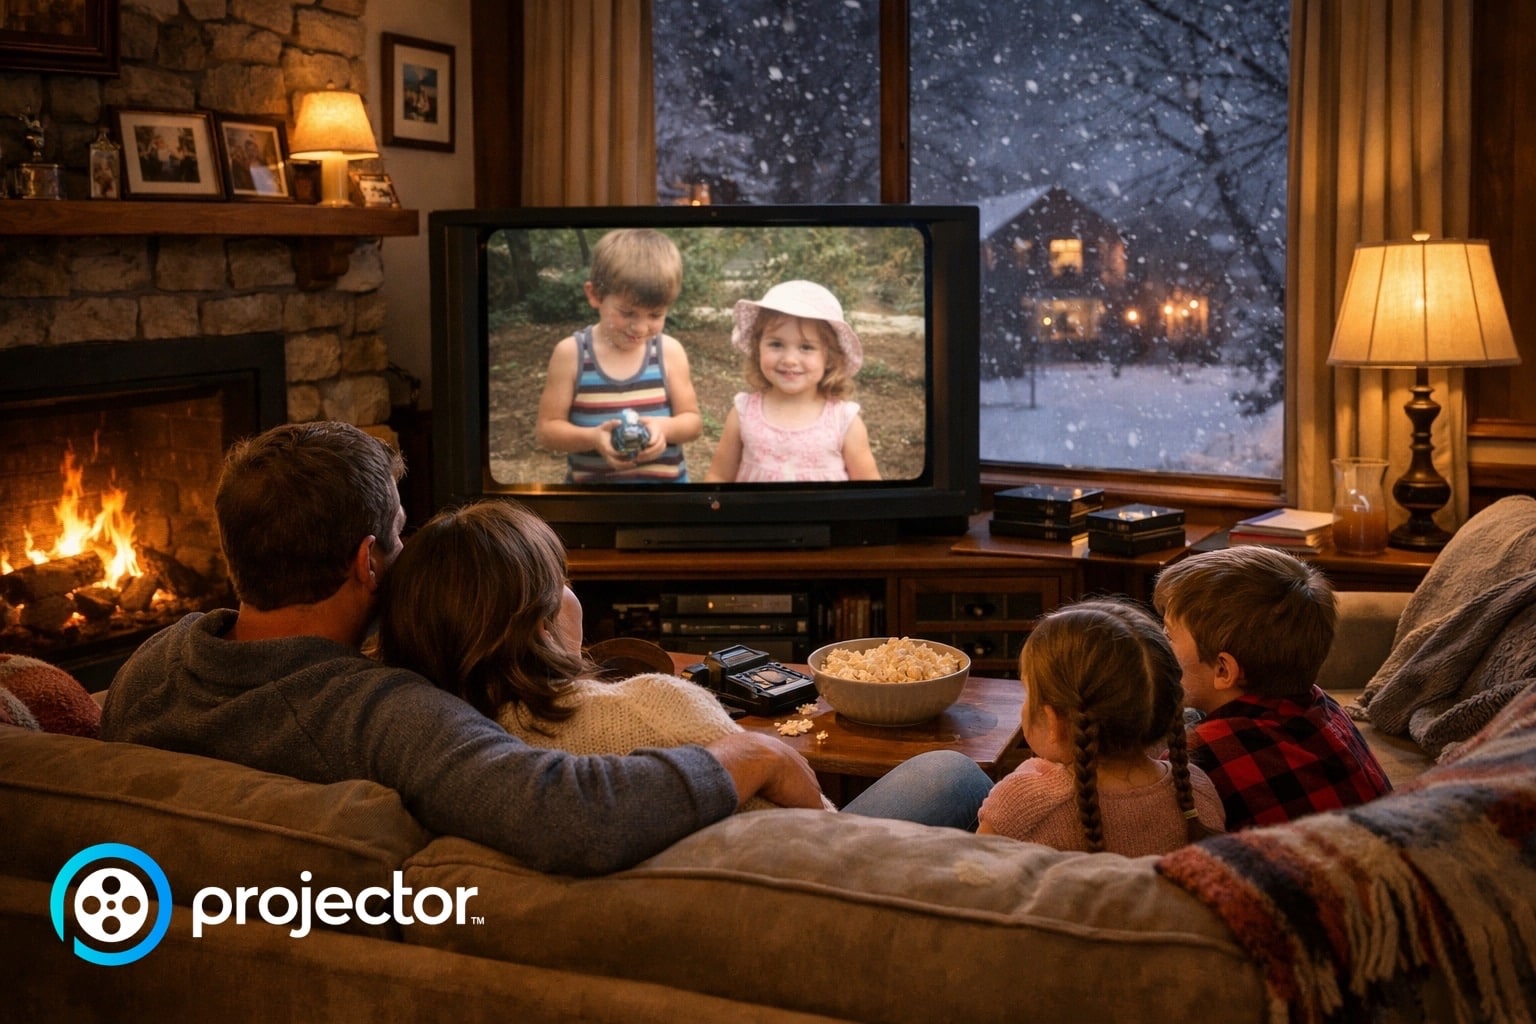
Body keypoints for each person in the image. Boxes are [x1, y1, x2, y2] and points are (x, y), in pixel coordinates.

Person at [99, 422, 987, 877]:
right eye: (402, 537)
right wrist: (749, 750)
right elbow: (566, 812)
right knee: (948, 777)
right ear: (369, 562)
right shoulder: (383, 713)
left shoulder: (148, 673)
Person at [374, 499, 837, 813]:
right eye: (564, 584)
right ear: (542, 623)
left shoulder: (412, 744)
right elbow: (826, 828)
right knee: (915, 773)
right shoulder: (657, 708)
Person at [1152, 545, 1393, 831]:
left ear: (1223, 669)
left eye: (1168, 636)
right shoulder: (1321, 705)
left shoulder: (1198, 755)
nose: (1159, 645)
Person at [977, 599, 1224, 853]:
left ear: (1053, 721)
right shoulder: (1197, 791)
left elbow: (970, 878)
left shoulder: (1022, 801)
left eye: (1028, 692)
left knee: (954, 771)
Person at [534, 228, 702, 482]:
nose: (641, 328)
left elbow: (693, 423)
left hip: (665, 502)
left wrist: (662, 429)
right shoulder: (571, 354)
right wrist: (593, 438)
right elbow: (547, 432)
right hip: (594, 504)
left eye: (655, 315)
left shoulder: (669, 352)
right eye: (627, 312)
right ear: (595, 295)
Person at [705, 280, 880, 483]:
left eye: (806, 347)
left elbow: (869, 489)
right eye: (776, 344)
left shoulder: (843, 422)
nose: (789, 360)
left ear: (830, 357)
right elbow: (718, 476)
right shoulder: (744, 412)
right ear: (757, 347)